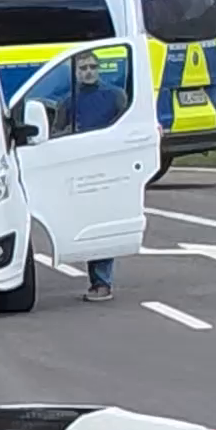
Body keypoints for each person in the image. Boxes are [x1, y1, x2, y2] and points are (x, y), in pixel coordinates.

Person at [66, 44, 132, 300]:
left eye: (93, 67)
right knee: (85, 225)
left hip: (108, 170)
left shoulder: (116, 97)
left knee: (102, 224)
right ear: (76, 73)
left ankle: (102, 282)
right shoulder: (68, 101)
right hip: (78, 172)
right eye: (83, 68)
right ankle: (97, 278)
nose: (89, 72)